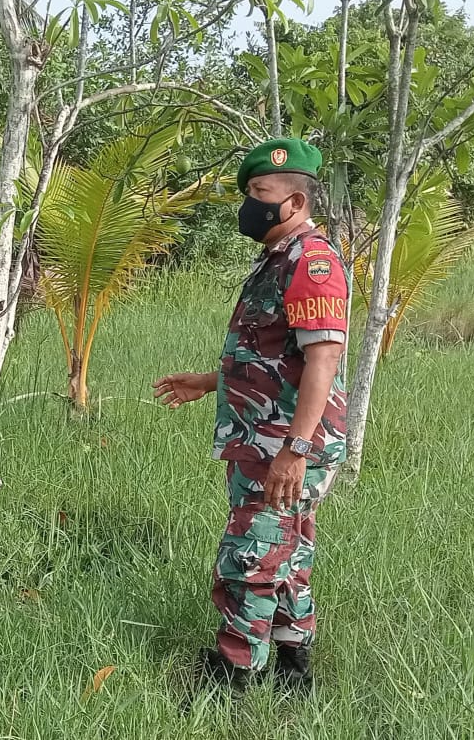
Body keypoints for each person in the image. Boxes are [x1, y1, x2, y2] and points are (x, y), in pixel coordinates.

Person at [153, 138, 349, 693]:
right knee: (288, 544)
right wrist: (210, 382)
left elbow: (324, 358)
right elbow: (275, 356)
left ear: (294, 202)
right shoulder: (278, 261)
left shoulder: (311, 263)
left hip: (280, 443)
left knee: (252, 551)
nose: (250, 203)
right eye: (248, 193)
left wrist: (296, 450)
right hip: (267, 434)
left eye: (260, 192)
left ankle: (234, 672)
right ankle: (293, 664)